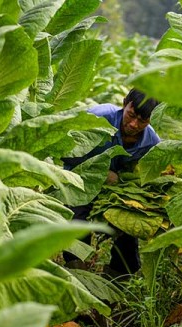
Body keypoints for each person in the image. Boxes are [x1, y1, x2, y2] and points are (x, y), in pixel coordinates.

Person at [62, 88, 160, 275]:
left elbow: (149, 173)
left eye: (142, 121)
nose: (133, 124)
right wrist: (101, 172)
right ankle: (78, 279)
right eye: (131, 115)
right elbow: (65, 151)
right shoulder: (98, 118)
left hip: (116, 193)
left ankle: (112, 290)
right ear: (124, 103)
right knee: (76, 225)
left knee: (128, 236)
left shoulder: (151, 142)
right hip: (80, 182)